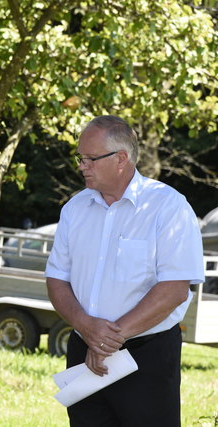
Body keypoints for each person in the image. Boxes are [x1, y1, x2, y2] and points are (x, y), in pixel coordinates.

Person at [45, 115, 205, 426]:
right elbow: (57, 280)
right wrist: (87, 328)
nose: (82, 166)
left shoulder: (168, 206)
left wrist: (109, 340)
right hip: (84, 351)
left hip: (147, 356)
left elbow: (174, 289)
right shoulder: (74, 209)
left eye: (91, 158)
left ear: (122, 159)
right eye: (80, 157)